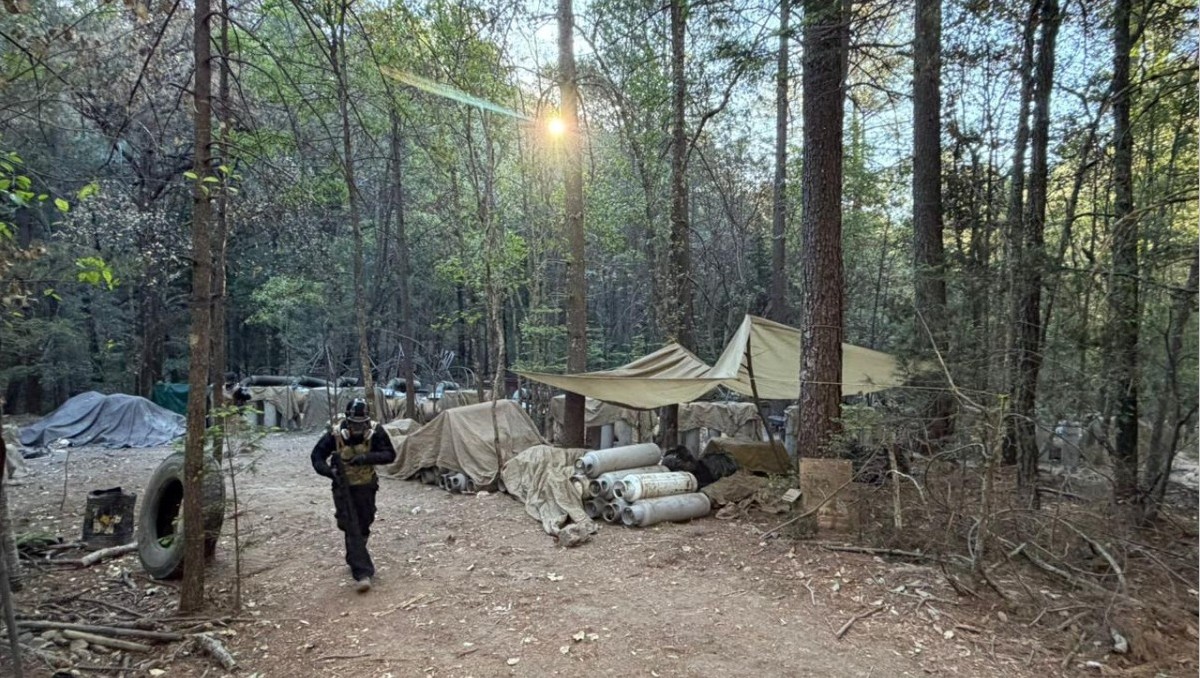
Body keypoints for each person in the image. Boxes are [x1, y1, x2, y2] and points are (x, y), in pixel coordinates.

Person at [311, 398, 396, 592]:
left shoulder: (376, 431)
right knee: (350, 524)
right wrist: (329, 472)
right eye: (355, 424)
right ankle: (362, 572)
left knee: (365, 521)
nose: (358, 427)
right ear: (348, 421)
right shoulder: (334, 434)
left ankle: (355, 553)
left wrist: (366, 458)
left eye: (362, 423)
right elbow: (316, 457)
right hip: (343, 487)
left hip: (366, 486)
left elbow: (390, 454)